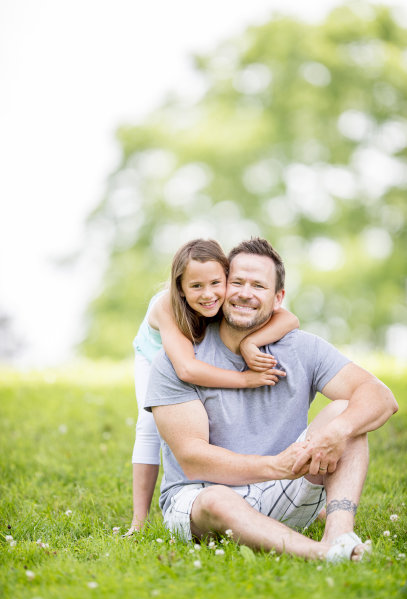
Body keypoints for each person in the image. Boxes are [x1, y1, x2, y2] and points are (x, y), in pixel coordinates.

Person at [145, 237, 398, 562]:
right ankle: (322, 554)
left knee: (346, 411)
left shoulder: (302, 348)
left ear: (278, 298)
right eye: (236, 282)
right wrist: (273, 465)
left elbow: (380, 397)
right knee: (217, 500)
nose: (244, 293)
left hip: (284, 487)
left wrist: (339, 431)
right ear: (222, 286)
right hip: (202, 497)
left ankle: (339, 534)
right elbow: (193, 460)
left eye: (258, 285)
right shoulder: (177, 359)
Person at [125, 238, 299, 536]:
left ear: (226, 277)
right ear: (180, 287)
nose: (208, 294)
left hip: (199, 353)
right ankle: (138, 522)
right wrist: (244, 380)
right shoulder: (166, 305)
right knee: (149, 425)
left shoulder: (223, 297)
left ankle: (235, 488)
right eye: (196, 287)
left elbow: (290, 318)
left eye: (216, 283)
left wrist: (250, 342)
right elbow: (186, 368)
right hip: (157, 357)